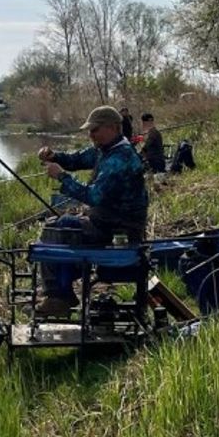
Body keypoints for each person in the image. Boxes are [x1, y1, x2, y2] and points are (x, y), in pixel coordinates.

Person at [34, 105, 149, 318]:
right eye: (89, 130)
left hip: (119, 229)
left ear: (113, 128)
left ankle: (59, 297)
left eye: (95, 129)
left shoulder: (120, 158)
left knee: (60, 228)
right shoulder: (105, 150)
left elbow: (94, 196)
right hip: (105, 222)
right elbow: (76, 160)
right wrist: (54, 156)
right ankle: (60, 293)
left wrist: (62, 177)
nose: (90, 134)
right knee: (58, 226)